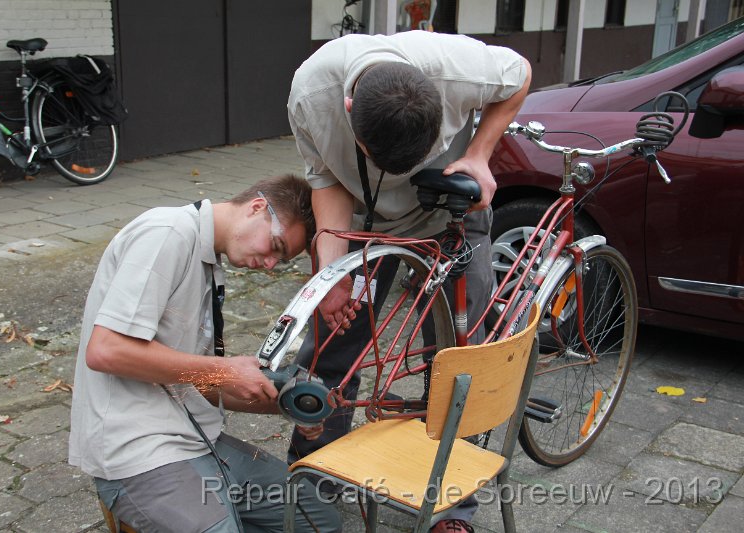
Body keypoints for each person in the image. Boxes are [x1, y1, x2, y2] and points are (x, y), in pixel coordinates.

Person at [287, 31, 531, 532]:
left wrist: (481, 153)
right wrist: (332, 274)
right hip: (360, 220)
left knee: (460, 357)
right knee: (331, 342)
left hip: (448, 213)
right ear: (349, 108)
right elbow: (327, 183)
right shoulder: (311, 95)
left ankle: (451, 504)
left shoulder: (457, 67)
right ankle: (314, 486)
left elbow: (520, 75)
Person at [68, 175, 341, 533]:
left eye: (282, 260)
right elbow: (106, 350)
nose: (271, 264)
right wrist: (224, 370)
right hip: (136, 449)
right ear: (257, 207)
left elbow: (197, 382)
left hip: (192, 438)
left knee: (317, 521)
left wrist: (285, 402)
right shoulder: (167, 232)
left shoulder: (209, 264)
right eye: (276, 245)